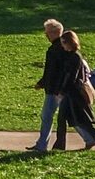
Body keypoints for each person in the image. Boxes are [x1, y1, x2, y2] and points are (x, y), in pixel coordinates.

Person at [54, 30, 95, 151]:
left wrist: (62, 91)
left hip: (74, 94)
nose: (62, 45)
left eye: (63, 42)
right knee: (64, 119)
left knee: (81, 120)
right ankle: (59, 146)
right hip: (70, 93)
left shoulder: (75, 57)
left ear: (69, 42)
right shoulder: (71, 56)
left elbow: (71, 77)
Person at [28, 18, 69, 154]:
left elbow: (51, 71)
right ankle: (92, 138)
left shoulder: (54, 50)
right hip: (58, 88)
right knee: (67, 116)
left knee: (47, 116)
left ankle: (41, 145)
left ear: (54, 33)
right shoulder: (63, 48)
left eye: (47, 33)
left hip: (54, 89)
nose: (45, 35)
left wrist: (42, 83)